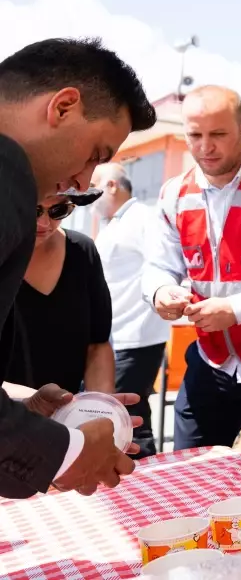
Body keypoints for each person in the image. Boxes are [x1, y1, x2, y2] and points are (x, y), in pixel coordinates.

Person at [0, 36, 155, 497]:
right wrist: (68, 450)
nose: (83, 181)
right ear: (63, 107)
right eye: (95, 154)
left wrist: (20, 405)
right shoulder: (8, 173)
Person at [142, 86, 241, 471]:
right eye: (195, 135)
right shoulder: (174, 193)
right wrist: (161, 292)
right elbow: (159, 265)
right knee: (188, 475)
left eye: (218, 135)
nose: (205, 147)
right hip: (210, 360)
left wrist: (235, 309)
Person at [91, 162, 171, 457]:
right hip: (115, 338)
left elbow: (161, 268)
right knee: (129, 415)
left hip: (136, 337)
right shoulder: (116, 224)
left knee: (125, 415)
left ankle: (144, 482)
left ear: (111, 186)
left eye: (92, 187)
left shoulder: (143, 219)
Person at [7, 191, 114, 395]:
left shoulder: (82, 251)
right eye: (33, 210)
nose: (44, 223)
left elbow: (98, 344)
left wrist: (100, 408)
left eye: (59, 210)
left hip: (66, 415)